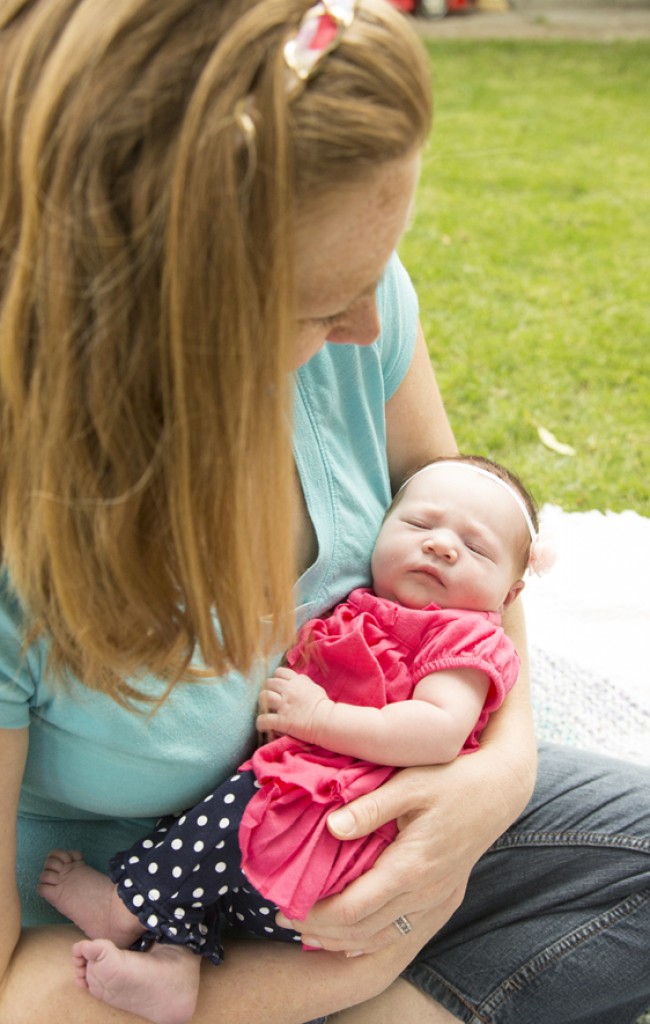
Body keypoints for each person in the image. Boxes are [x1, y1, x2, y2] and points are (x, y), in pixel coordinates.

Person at [0, 2, 648, 1024]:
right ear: (143, 301)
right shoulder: (21, 531)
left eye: (373, 271)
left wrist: (493, 775)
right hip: (124, 945)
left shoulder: (362, 306)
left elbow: (477, 536)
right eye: (315, 302)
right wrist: (333, 974)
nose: (367, 325)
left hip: (359, 823)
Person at [38, 454, 547, 1024]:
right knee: (208, 835)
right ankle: (171, 965)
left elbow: (438, 732)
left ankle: (126, 906)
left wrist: (320, 717)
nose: (442, 546)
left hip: (336, 831)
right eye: (419, 525)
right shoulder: (369, 609)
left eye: (476, 549)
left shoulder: (461, 638)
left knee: (230, 821)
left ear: (510, 593)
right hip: (305, 813)